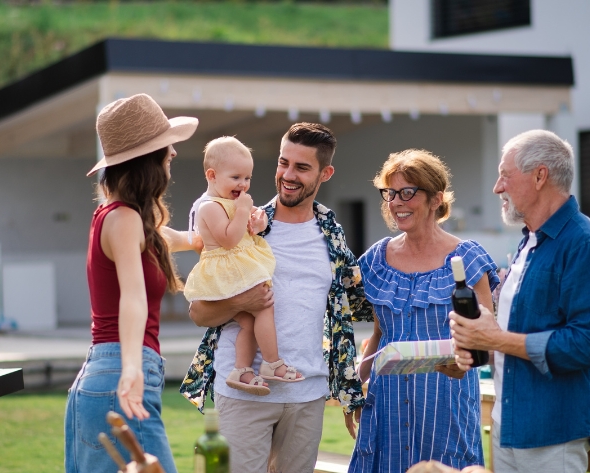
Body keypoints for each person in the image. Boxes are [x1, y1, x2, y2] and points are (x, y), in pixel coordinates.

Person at [180, 123, 372, 473]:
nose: (288, 175)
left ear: (325, 174)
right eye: (284, 163)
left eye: (302, 167)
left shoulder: (332, 235)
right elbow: (199, 313)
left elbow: (350, 313)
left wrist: (351, 385)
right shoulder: (243, 225)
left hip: (307, 394)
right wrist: (242, 303)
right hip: (244, 392)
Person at [449, 130, 590, 473]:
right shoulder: (529, 242)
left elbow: (587, 345)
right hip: (507, 424)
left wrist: (496, 339)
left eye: (505, 175)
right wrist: (479, 342)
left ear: (540, 176)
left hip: (553, 433)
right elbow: (521, 331)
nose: (497, 187)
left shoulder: (586, 245)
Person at [65, 94, 199, 473]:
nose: (173, 152)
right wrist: (132, 368)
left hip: (108, 380)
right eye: (166, 145)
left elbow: (175, 237)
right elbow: (133, 299)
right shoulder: (123, 220)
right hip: (119, 380)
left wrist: (222, 231)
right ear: (148, 160)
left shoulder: (125, 220)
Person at [349, 149, 499, 472]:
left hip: (445, 406)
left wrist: (465, 358)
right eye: (390, 193)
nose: (396, 202)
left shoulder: (467, 259)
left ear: (436, 199)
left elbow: (487, 342)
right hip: (386, 408)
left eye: (407, 192)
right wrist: (353, 391)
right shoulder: (376, 260)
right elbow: (379, 335)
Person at [184, 136, 303, 397]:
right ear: (212, 176)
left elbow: (248, 228)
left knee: (249, 322)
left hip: (235, 266)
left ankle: (242, 369)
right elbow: (228, 239)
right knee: (264, 305)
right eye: (236, 177)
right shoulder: (209, 207)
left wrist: (257, 224)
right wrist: (241, 211)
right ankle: (272, 363)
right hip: (226, 270)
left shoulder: (231, 202)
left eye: (247, 178)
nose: (243, 184)